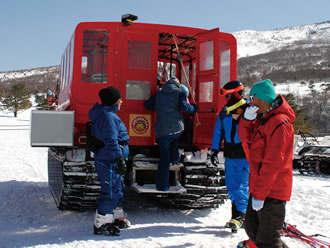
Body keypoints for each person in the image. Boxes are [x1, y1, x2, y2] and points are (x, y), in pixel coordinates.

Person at [238, 79, 296, 248]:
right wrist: (246, 121)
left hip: (273, 190)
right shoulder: (263, 120)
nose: (250, 103)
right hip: (259, 187)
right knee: (252, 228)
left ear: (262, 98)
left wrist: (260, 194)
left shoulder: (279, 123)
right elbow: (245, 140)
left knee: (268, 239)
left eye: (252, 99)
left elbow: (273, 163)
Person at [88, 86, 130, 236]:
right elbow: (111, 140)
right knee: (110, 191)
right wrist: (119, 158)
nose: (121, 102)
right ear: (113, 102)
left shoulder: (108, 115)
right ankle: (101, 224)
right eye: (119, 100)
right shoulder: (108, 117)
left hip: (111, 158)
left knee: (117, 189)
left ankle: (114, 218)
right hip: (109, 159)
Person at [144, 76, 198, 191]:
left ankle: (164, 183)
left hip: (161, 131)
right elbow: (185, 107)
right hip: (176, 128)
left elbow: (147, 105)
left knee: (165, 153)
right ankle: (174, 162)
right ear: (178, 84)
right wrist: (194, 108)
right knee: (173, 141)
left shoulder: (159, 93)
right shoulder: (180, 92)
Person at [210, 80, 250, 231]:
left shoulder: (248, 111)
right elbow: (218, 131)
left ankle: (241, 216)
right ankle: (237, 216)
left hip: (244, 154)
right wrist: (214, 149)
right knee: (232, 185)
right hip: (230, 154)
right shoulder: (225, 112)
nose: (225, 100)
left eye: (227, 97)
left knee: (242, 186)